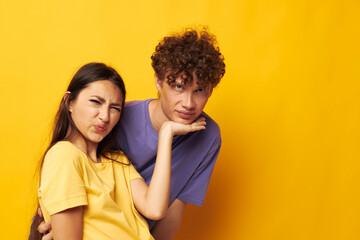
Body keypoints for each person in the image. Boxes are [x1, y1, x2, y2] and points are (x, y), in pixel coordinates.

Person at [36, 27, 225, 239]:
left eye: (200, 90)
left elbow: (165, 210)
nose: (105, 117)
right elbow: (65, 181)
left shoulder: (117, 161)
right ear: (158, 81)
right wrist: (54, 217)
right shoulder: (68, 153)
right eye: (179, 87)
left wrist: (166, 134)